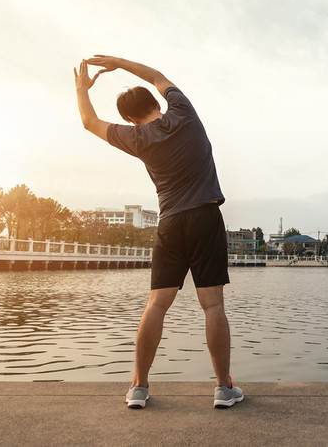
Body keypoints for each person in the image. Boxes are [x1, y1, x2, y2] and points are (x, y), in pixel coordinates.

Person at [73, 55, 243, 410]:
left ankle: (139, 386)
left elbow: (88, 122)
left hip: (170, 224)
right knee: (212, 304)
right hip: (205, 217)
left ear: (131, 118)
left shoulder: (136, 137)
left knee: (157, 304)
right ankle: (224, 389)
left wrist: (82, 88)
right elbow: (156, 75)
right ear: (156, 102)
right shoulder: (183, 111)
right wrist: (119, 63)